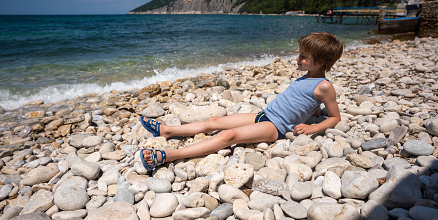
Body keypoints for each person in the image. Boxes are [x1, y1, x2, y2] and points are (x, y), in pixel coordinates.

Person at [139, 31, 344, 171]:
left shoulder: (324, 86)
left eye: (304, 57)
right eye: (300, 55)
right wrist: (314, 113)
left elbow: (335, 117)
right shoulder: (308, 76)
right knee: (215, 121)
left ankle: (170, 155)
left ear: (321, 62)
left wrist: (312, 129)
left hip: (276, 127)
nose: (297, 59)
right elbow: (310, 102)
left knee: (229, 135)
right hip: (264, 115)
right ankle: (168, 131)